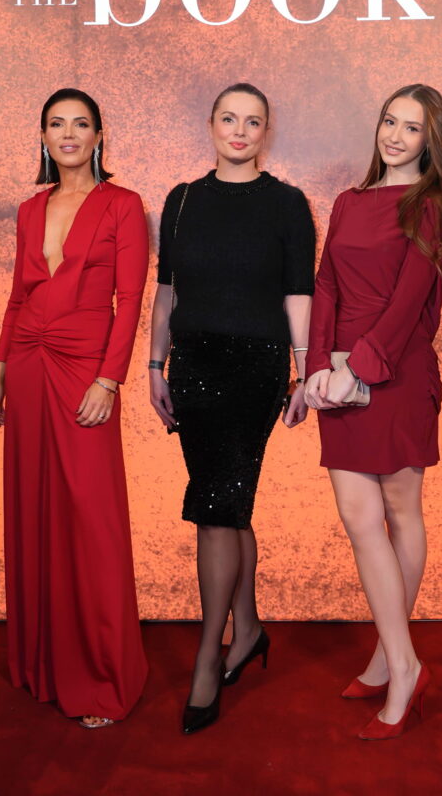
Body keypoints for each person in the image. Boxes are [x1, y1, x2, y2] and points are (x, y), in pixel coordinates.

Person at [149, 83, 315, 735]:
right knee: (229, 501)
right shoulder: (182, 200)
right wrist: (154, 365)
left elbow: (298, 295)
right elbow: (166, 291)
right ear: (211, 125)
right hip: (192, 365)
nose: (239, 130)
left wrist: (304, 372)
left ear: (266, 131)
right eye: (228, 118)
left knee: (216, 507)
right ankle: (246, 629)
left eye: (252, 121)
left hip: (255, 370)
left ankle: (206, 657)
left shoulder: (287, 204)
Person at [305, 84, 442, 740]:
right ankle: (396, 658)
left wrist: (357, 368)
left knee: (400, 513)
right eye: (389, 122)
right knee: (357, 516)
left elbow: (407, 304)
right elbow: (325, 285)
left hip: (395, 373)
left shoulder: (429, 204)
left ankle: (395, 664)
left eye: (412, 127)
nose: (395, 136)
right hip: (340, 372)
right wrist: (318, 366)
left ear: (431, 141)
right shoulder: (348, 201)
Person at [0, 88, 149, 728]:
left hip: (85, 368)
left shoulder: (123, 205)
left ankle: (103, 677)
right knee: (36, 508)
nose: (69, 134)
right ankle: (43, 664)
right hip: (27, 366)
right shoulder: (31, 209)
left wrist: (109, 380)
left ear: (99, 135)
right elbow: (16, 297)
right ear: (44, 137)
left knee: (89, 516)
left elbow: (130, 302)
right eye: (57, 124)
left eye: (81, 124)